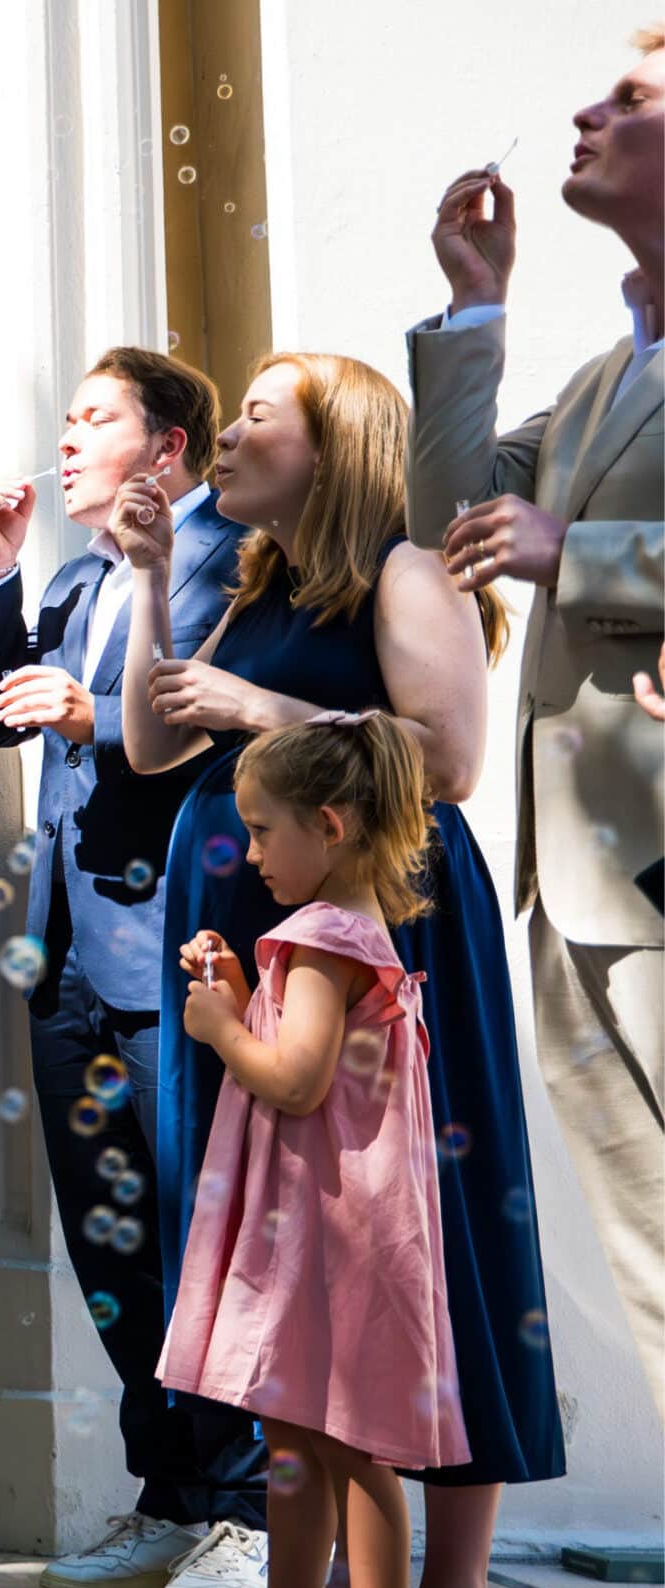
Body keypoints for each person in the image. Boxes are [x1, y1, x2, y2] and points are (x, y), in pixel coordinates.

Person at [122, 352, 562, 1588]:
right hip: (266, 959)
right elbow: (147, 743)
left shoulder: (404, 573)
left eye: (262, 410)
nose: (232, 430)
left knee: (423, 1249)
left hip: (391, 947)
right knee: (294, 1264)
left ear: (339, 444)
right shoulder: (252, 585)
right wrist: (147, 581)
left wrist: (265, 710)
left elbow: (448, 756)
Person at [0, 349, 269, 1588]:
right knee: (113, 1246)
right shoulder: (78, 572)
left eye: (95, 419)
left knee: (205, 1235)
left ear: (171, 447)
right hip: (69, 957)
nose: (67, 437)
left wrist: (95, 713)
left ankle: (247, 1509)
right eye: (67, 419)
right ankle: (170, 1498)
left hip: (175, 944)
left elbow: (200, 724)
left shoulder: (232, 558)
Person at [404, 24, 665, 1419]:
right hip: (575, 886)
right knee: (654, 1259)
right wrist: (476, 309)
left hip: (654, 863)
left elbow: (549, 543)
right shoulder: (601, 379)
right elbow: (443, 517)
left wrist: (587, 553)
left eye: (629, 98)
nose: (585, 111)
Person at [158, 714, 466, 1588]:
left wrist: (212, 1027)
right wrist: (243, 989)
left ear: (328, 824)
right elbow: (302, 1052)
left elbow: (293, 1079)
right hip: (322, 1220)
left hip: (346, 1229)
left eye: (261, 830)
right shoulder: (324, 935)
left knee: (353, 1437)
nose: (249, 852)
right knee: (293, 1428)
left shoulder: (326, 933)